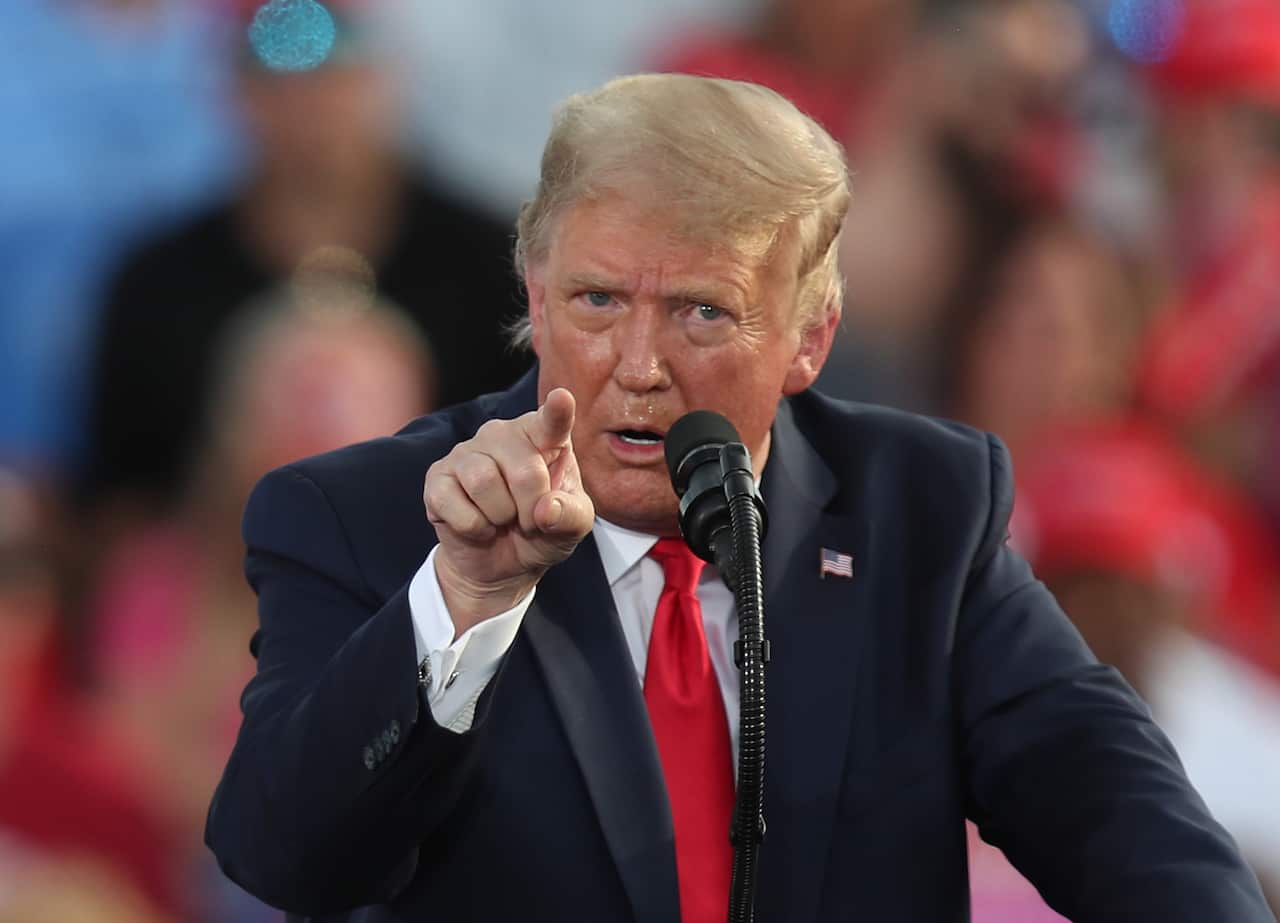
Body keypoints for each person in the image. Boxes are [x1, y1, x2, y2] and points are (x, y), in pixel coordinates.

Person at [205, 74, 1274, 922]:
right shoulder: (369, 517)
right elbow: (283, 853)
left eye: (701, 313)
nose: (636, 363)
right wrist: (460, 602)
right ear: (532, 297)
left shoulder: (920, 511)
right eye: (593, 299)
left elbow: (1116, 811)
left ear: (810, 336)